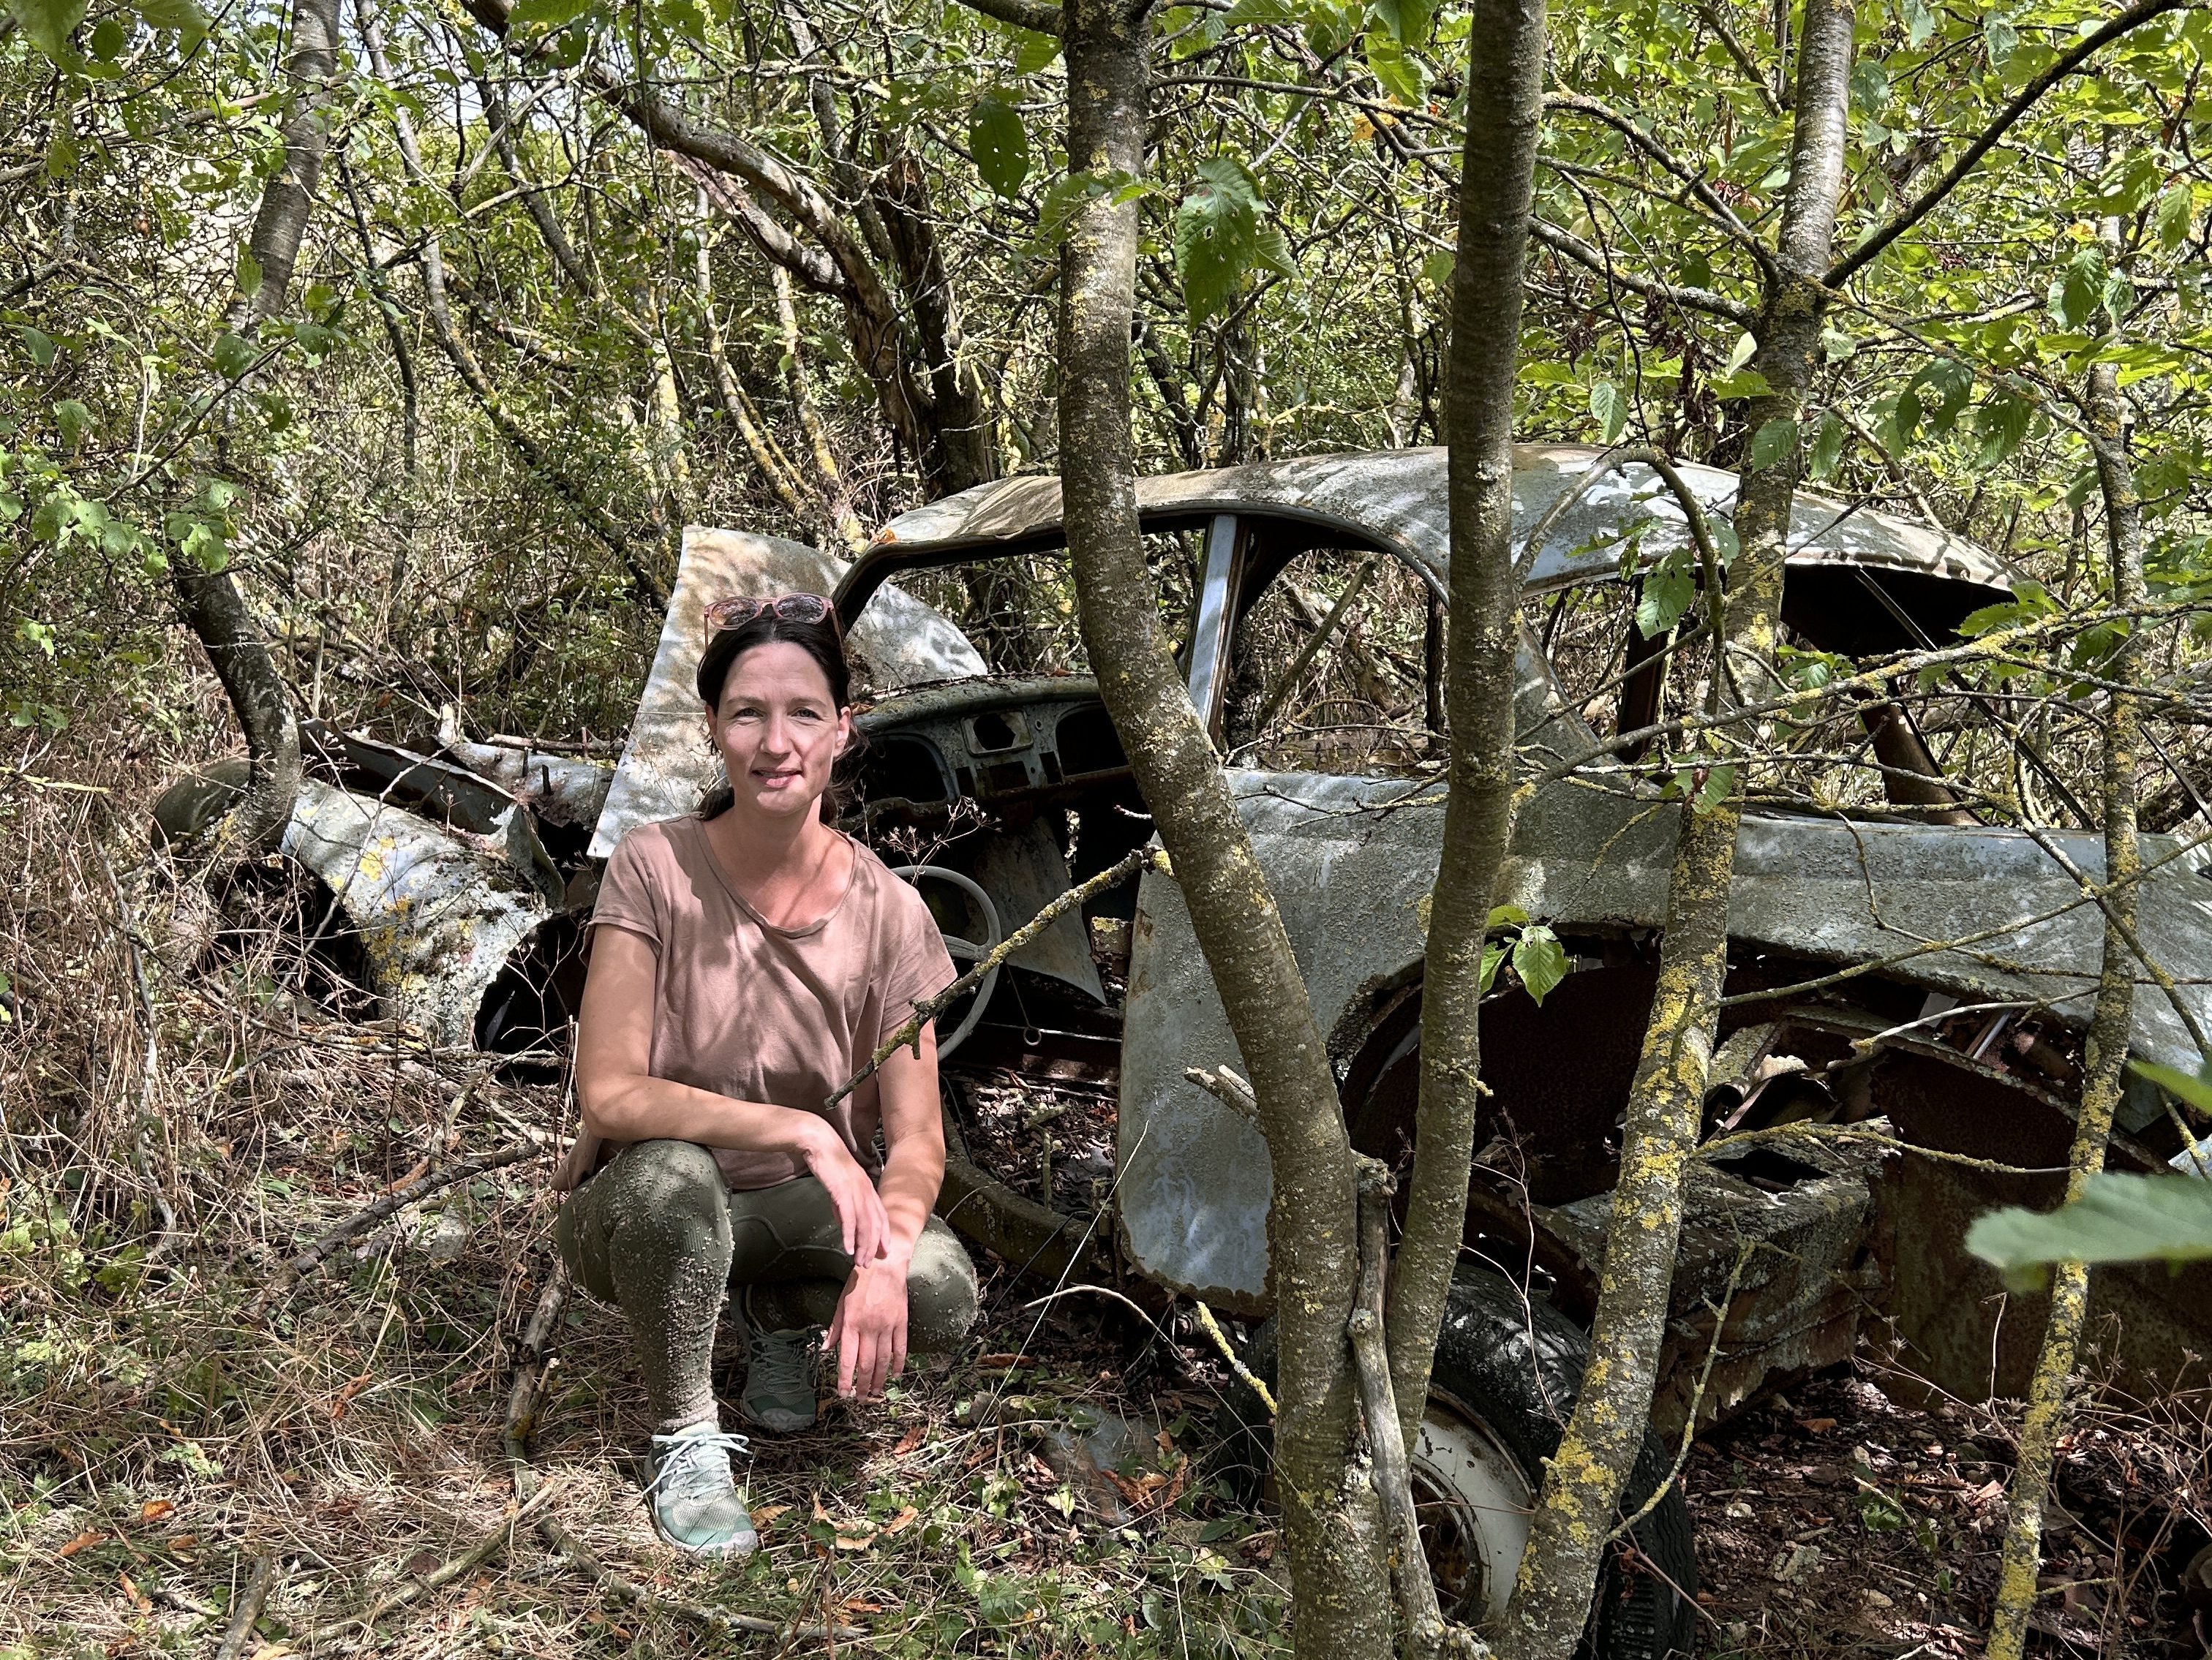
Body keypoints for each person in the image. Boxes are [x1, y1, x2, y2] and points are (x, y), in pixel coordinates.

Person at [553, 592, 978, 1558]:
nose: (775, 742)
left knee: (936, 1288)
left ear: (842, 730)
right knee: (674, 1179)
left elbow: (918, 1139)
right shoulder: (655, 866)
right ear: (714, 726)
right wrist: (805, 1129)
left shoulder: (892, 911)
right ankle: (685, 1433)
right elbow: (609, 1092)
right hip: (648, 1209)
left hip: (789, 1211)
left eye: (803, 713)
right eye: (748, 713)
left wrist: (883, 1261)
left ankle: (777, 1314)